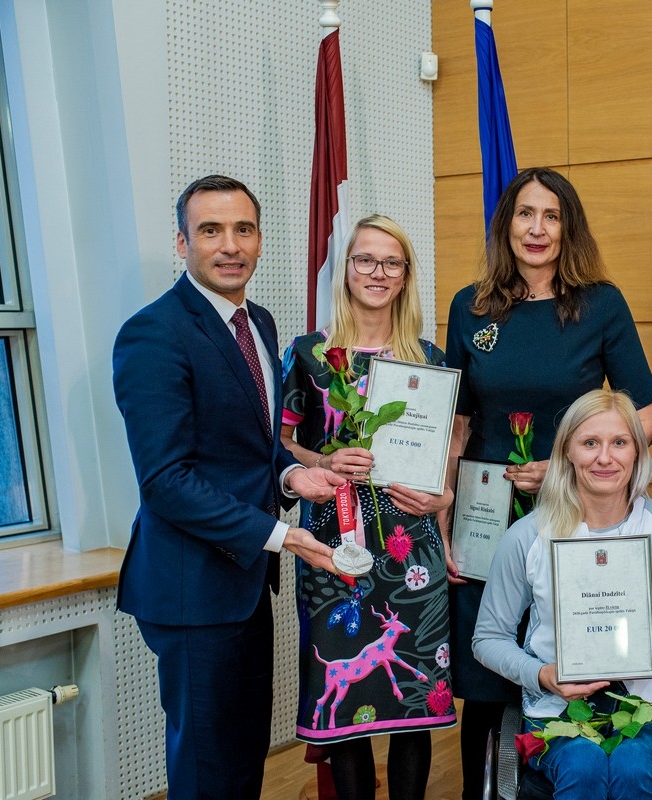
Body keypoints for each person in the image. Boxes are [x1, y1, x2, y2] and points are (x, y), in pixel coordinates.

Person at [113, 175, 343, 799]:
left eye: (243, 229)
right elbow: (166, 481)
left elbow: (254, 447)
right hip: (191, 589)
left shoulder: (258, 322)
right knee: (205, 770)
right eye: (210, 230)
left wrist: (295, 473)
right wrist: (282, 534)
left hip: (244, 583)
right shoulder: (153, 334)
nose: (229, 244)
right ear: (182, 242)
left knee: (244, 756)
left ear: (260, 240)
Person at [445, 166, 652, 798]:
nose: (537, 229)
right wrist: (444, 512)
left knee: (572, 659)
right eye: (524, 214)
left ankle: (574, 778)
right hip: (485, 519)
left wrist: (571, 467)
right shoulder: (471, 306)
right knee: (485, 679)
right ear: (505, 224)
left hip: (574, 514)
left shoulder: (601, 304)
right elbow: (457, 423)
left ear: (569, 228)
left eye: (552, 216)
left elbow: (644, 413)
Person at [280, 214, 456, 800]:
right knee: (345, 698)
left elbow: (448, 450)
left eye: (391, 262)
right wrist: (321, 464)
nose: (377, 273)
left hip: (414, 551)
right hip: (334, 548)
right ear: (345, 270)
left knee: (415, 700)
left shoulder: (428, 360)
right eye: (365, 260)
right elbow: (280, 442)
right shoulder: (308, 354)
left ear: (405, 275)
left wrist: (444, 495)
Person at [473, 389, 652, 799]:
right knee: (583, 764)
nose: (605, 458)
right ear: (567, 450)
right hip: (554, 712)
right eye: (590, 443)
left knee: (631, 763)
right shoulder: (528, 537)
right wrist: (541, 675)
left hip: (649, 712)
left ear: (637, 452)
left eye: (619, 443)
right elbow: (487, 639)